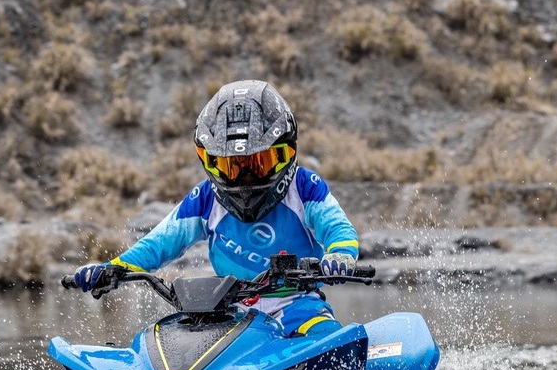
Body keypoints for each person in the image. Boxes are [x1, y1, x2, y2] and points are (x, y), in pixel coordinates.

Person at [69, 80, 359, 337]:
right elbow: (156, 245)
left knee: (329, 339)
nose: (245, 180)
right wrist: (110, 269)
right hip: (230, 314)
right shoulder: (205, 198)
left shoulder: (306, 187)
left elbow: (338, 229)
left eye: (259, 164)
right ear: (209, 162)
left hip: (298, 307)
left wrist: (341, 255)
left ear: (287, 152)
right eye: (231, 167)